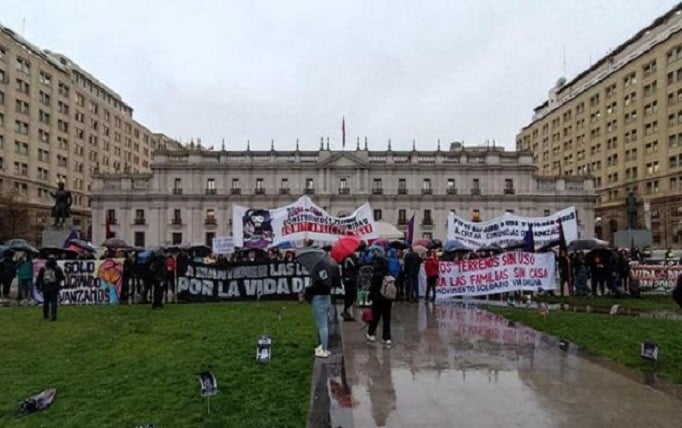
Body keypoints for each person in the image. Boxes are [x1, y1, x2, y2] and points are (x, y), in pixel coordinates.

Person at [367, 251, 392, 345]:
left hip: (378, 299)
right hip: (387, 299)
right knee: (387, 319)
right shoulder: (388, 274)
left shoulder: (376, 275)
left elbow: (373, 288)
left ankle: (371, 333)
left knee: (375, 318)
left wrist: (370, 298)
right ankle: (387, 337)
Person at [309, 267, 332, 358]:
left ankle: (324, 348)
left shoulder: (316, 272)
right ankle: (324, 345)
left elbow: (315, 287)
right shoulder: (330, 270)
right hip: (327, 297)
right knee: (324, 324)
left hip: (318, 299)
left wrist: (307, 290)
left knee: (322, 326)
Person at [37, 256, 65, 321]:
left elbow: (39, 278)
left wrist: (38, 286)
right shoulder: (57, 268)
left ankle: (45, 315)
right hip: (54, 288)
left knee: (46, 302)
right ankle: (53, 316)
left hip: (45, 288)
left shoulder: (43, 269)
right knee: (54, 302)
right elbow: (62, 278)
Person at [341, 251, 360, 321]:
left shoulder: (350, 257)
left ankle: (347, 311)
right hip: (350, 279)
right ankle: (347, 311)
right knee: (350, 295)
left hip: (350, 279)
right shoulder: (348, 257)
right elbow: (353, 267)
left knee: (350, 295)